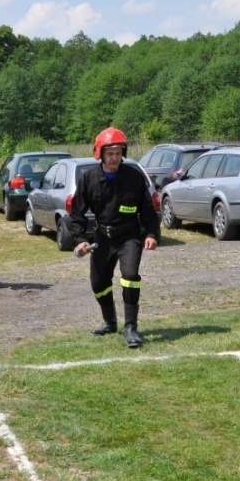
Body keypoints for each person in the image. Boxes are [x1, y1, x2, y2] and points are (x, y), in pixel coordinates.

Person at [70, 127, 160, 348]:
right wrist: (80, 239)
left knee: (130, 275)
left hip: (129, 236)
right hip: (102, 237)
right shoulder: (88, 178)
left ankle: (131, 328)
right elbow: (76, 213)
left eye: (118, 153)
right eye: (110, 153)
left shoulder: (134, 177)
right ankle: (110, 322)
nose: (114, 158)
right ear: (99, 153)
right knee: (98, 282)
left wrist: (150, 233)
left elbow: (148, 209)